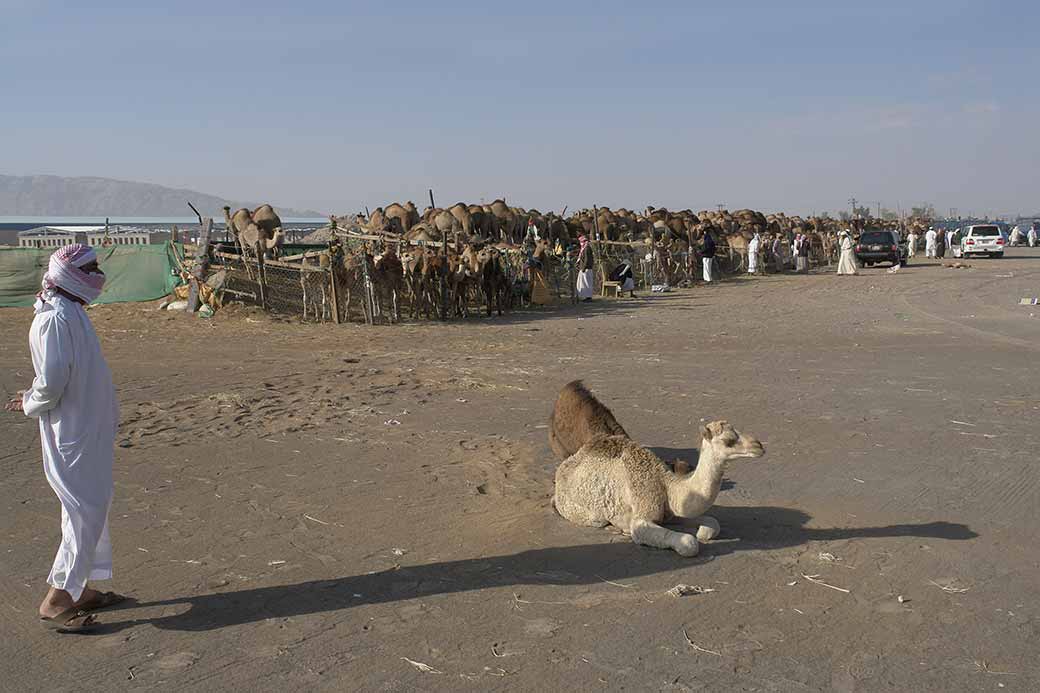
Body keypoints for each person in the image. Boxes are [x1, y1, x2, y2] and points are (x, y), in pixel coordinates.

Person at [4, 244, 124, 632]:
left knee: (92, 504)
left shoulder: (70, 310)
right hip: (72, 431)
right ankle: (57, 600)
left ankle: (79, 587)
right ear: (69, 273)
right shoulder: (54, 319)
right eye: (90, 267)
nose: (98, 273)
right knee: (82, 508)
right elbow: (52, 382)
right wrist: (29, 402)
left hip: (88, 426)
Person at [575, 233, 594, 301]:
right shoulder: (584, 248)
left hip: (586, 269)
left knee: (586, 283)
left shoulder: (586, 248)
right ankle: (585, 296)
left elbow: (587, 259)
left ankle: (588, 297)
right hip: (585, 268)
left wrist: (583, 268)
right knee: (583, 283)